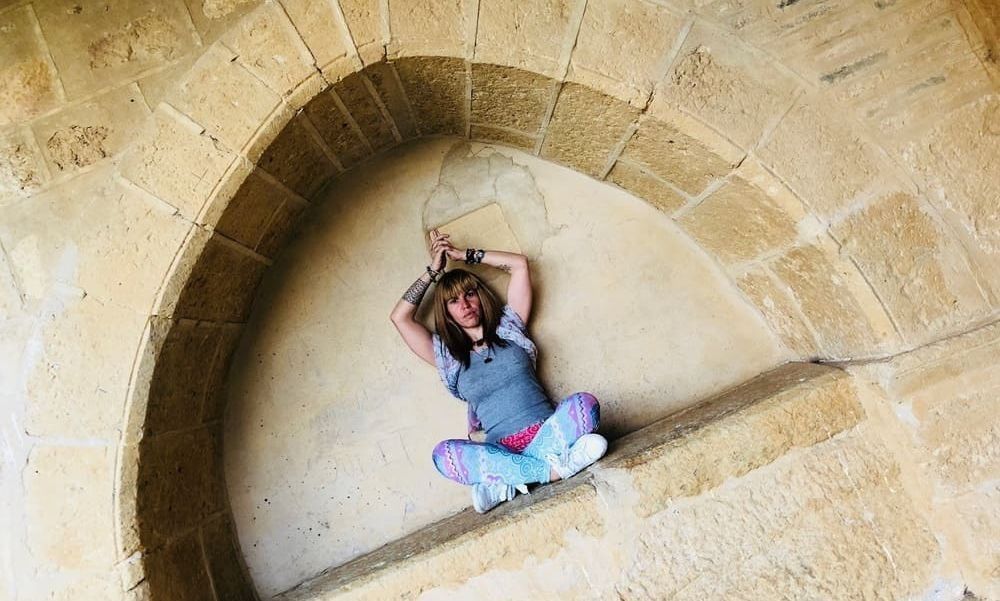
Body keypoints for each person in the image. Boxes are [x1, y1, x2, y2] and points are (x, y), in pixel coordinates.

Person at [389, 229, 608, 513]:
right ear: (446, 311)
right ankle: (551, 470)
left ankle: (504, 483)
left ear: (480, 296)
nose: (465, 305)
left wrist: (463, 255)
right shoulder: (446, 354)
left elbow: (519, 265)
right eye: (453, 301)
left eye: (469, 294)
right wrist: (434, 270)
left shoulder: (509, 326)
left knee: (585, 405)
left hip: (548, 433)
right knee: (444, 456)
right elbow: (400, 317)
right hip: (500, 452)